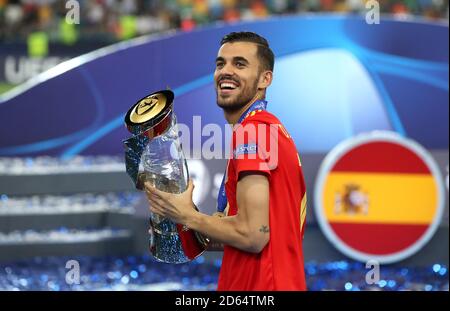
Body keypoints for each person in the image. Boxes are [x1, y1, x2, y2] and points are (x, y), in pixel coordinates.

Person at [145, 31, 308, 291]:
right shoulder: (270, 130)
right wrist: (187, 221)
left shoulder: (254, 132)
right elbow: (260, 232)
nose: (226, 71)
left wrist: (186, 215)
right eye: (221, 64)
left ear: (265, 79)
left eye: (240, 64)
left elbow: (253, 235)